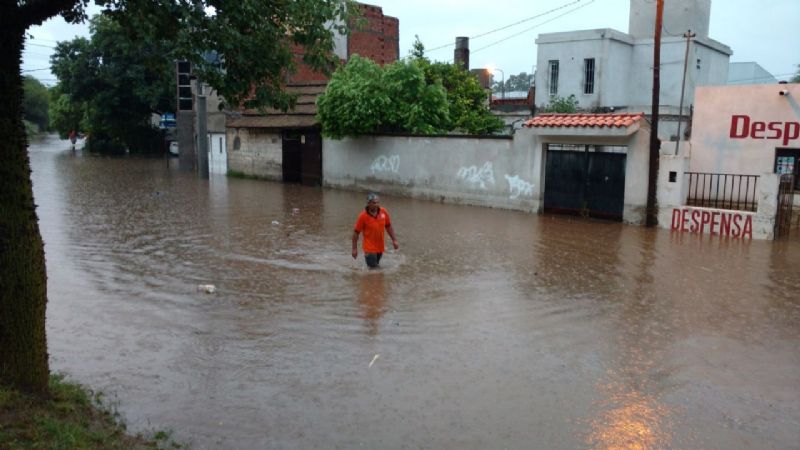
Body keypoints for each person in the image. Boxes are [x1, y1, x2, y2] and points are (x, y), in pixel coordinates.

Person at [352, 193, 399, 268]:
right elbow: (356, 233)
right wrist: (354, 249)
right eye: (374, 203)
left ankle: (370, 279)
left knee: (375, 267)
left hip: (380, 247)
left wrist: (394, 240)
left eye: (377, 202)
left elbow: (388, 226)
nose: (376, 204)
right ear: (368, 203)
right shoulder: (363, 216)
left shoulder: (383, 211)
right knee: (374, 269)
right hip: (369, 248)